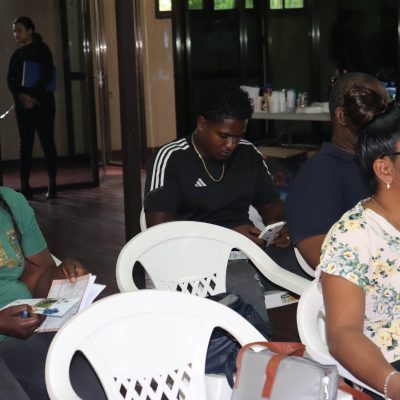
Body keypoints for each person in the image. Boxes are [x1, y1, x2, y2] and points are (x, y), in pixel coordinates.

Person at [144, 84, 290, 321]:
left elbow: (271, 207)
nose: (231, 144)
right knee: (243, 279)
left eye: (238, 136)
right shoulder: (172, 158)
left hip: (244, 250)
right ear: (202, 123)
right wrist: (227, 237)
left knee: (311, 265)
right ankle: (252, 342)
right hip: (189, 256)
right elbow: (160, 234)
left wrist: (278, 229)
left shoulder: (248, 155)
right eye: (223, 136)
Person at [319, 91, 400, 399]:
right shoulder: (353, 235)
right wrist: (393, 384)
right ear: (385, 169)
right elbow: (343, 334)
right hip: (386, 366)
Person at [0, 186, 106, 399]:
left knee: (91, 390)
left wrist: (63, 277)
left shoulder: (10, 202)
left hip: (26, 332)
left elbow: (37, 275)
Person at [284, 72, 389, 269]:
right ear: (342, 116)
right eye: (373, 111)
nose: (385, 121)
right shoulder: (318, 174)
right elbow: (326, 261)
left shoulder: (379, 165)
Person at [7, 16, 58, 200]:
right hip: (23, 105)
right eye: (14, 30)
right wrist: (21, 95)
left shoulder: (43, 50)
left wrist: (32, 95)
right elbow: (10, 79)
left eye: (19, 30)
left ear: (30, 31)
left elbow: (46, 76)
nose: (16, 34)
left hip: (42, 104)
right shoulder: (17, 54)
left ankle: (52, 183)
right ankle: (24, 185)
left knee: (47, 141)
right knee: (26, 143)